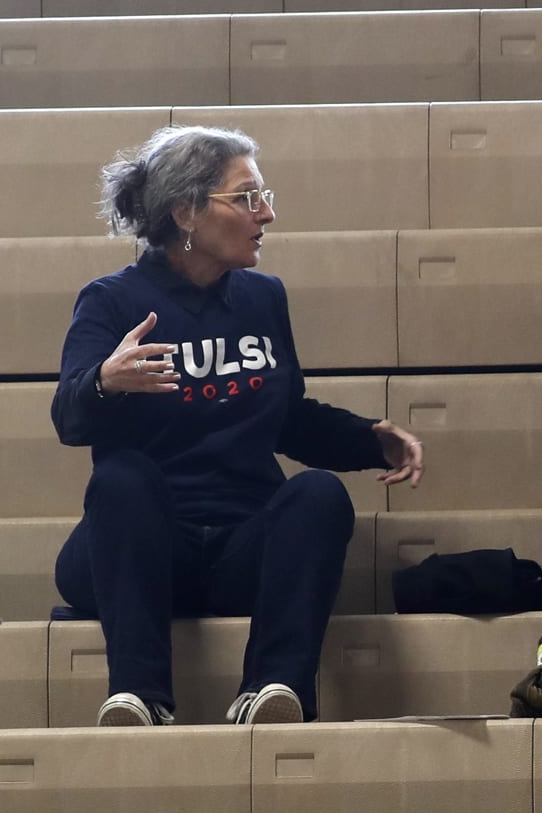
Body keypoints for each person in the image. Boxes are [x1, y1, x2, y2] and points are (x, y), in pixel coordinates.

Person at [53, 125, 425, 728]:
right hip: (146, 554)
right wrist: (104, 381)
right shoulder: (110, 301)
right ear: (187, 213)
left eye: (264, 196)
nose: (268, 214)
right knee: (122, 477)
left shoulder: (263, 298)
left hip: (244, 550)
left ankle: (274, 689)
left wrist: (367, 439)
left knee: (319, 493)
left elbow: (283, 418)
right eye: (247, 198)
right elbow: (69, 419)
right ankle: (140, 697)